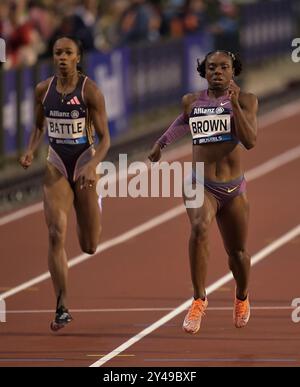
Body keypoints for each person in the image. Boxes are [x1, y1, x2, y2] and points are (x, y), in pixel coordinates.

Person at [148, 50, 258, 334]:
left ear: (234, 70)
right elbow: (182, 121)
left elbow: (250, 141)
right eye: (212, 67)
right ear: (203, 71)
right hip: (200, 183)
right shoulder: (192, 101)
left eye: (224, 67)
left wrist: (234, 107)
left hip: (233, 188)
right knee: (199, 227)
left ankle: (242, 296)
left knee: (238, 254)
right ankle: (198, 299)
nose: (217, 72)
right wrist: (161, 143)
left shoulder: (246, 100)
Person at [19, 36, 111, 331]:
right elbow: (37, 125)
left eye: (67, 53)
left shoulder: (90, 92)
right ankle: (61, 305)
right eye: (57, 52)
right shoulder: (43, 90)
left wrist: (93, 166)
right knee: (56, 232)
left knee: (90, 246)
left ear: (77, 58)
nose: (61, 57)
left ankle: (95, 200)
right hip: (56, 163)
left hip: (84, 162)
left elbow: (106, 138)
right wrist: (31, 149)